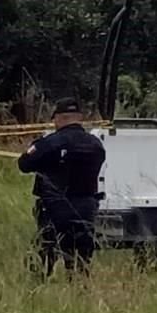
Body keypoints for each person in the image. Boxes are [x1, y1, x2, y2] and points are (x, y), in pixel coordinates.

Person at [17, 97, 106, 280]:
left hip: (55, 207)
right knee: (81, 257)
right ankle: (78, 290)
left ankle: (39, 287)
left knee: (45, 251)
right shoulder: (96, 144)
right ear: (79, 117)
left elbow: (24, 164)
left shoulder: (50, 143)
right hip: (86, 207)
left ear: (58, 118)